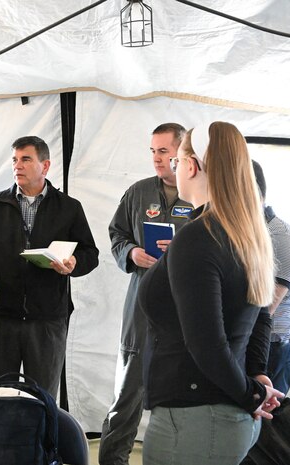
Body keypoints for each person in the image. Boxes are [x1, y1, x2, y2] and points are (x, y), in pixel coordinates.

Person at [139, 121, 284, 465]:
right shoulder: (246, 233)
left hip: (196, 419)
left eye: (175, 159)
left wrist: (252, 393)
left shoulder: (199, 235)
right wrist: (257, 376)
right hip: (219, 414)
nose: (173, 167)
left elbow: (206, 343)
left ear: (191, 165)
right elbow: (260, 316)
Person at [0, 135, 99, 398]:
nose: (17, 166)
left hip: (47, 321)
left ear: (45, 166)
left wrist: (74, 263)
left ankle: (41, 442)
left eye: (25, 159)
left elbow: (90, 253)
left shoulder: (69, 208)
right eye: (14, 160)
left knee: (42, 399)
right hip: (1, 318)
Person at [99, 123, 192, 465]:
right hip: (141, 302)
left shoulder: (199, 195)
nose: (156, 158)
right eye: (152, 151)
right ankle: (112, 459)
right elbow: (117, 233)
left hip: (185, 306)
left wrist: (183, 250)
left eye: (163, 151)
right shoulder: (138, 192)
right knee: (128, 390)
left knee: (182, 391)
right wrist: (131, 253)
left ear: (182, 153)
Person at [252, 160, 290, 395]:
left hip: (270, 347)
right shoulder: (247, 234)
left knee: (269, 429)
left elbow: (264, 308)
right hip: (247, 341)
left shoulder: (281, 238)